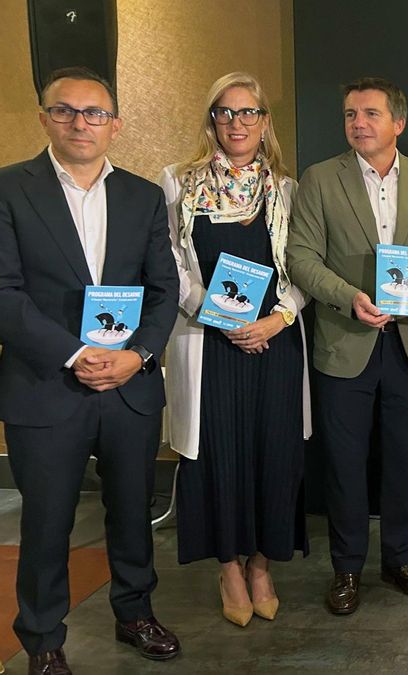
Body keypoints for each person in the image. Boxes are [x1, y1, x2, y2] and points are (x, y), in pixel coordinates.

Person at [0, 67, 181, 672]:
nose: (82, 122)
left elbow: (163, 290)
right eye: (67, 110)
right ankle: (44, 641)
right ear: (45, 117)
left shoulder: (143, 196)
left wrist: (138, 356)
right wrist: (76, 354)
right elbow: (4, 293)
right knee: (48, 522)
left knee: (132, 512)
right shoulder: (8, 189)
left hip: (129, 386)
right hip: (46, 387)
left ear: (115, 124)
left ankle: (135, 614)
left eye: (95, 113)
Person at [287, 77, 408, 614]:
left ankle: (399, 559)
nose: (357, 123)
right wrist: (350, 297)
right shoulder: (319, 179)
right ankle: (346, 568)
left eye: (370, 113)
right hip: (346, 340)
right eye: (349, 114)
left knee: (407, 459)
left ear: (398, 123)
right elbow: (302, 259)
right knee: (344, 462)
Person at [158, 72, 310, 627]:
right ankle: (228, 567)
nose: (237, 123)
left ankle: (262, 563)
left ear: (265, 121)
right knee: (217, 456)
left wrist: (277, 318)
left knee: (276, 453)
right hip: (209, 342)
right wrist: (217, 316)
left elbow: (304, 269)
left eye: (249, 113)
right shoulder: (179, 182)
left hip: (274, 340)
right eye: (226, 113)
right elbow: (170, 267)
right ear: (211, 121)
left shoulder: (286, 189)